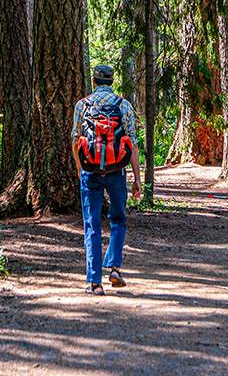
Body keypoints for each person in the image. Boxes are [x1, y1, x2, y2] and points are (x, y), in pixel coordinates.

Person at [71, 64, 141, 296]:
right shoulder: (124, 106)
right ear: (112, 81)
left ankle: (94, 282)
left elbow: (75, 138)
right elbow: (132, 144)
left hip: (90, 172)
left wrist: (81, 168)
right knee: (118, 219)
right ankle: (114, 268)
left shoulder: (83, 105)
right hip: (116, 171)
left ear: (94, 81)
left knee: (91, 224)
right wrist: (137, 178)